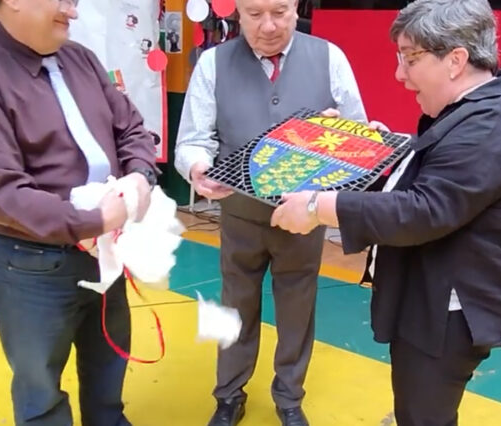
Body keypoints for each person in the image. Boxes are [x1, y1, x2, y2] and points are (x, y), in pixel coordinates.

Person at [270, 0, 501, 425]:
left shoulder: (488, 124)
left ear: (456, 60)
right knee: (415, 404)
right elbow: (432, 174)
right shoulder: (472, 109)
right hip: (429, 299)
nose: (400, 74)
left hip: (448, 312)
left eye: (411, 59)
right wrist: (369, 150)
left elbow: (425, 210)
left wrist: (319, 207)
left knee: (424, 413)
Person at [0, 0, 158, 425]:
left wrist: (139, 176)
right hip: (33, 263)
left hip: (105, 249)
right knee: (40, 390)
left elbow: (130, 127)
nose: (72, 12)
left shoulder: (81, 59)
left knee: (109, 362)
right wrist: (96, 220)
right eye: (61, 0)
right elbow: (2, 193)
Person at [174, 0, 367, 425]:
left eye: (279, 12)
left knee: (298, 308)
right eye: (254, 14)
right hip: (240, 216)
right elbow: (193, 139)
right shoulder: (213, 64)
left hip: (305, 219)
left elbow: (358, 137)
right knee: (235, 306)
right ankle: (229, 396)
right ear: (237, 13)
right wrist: (198, 167)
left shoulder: (330, 58)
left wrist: (335, 137)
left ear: (295, 7)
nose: (267, 26)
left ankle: (290, 398)